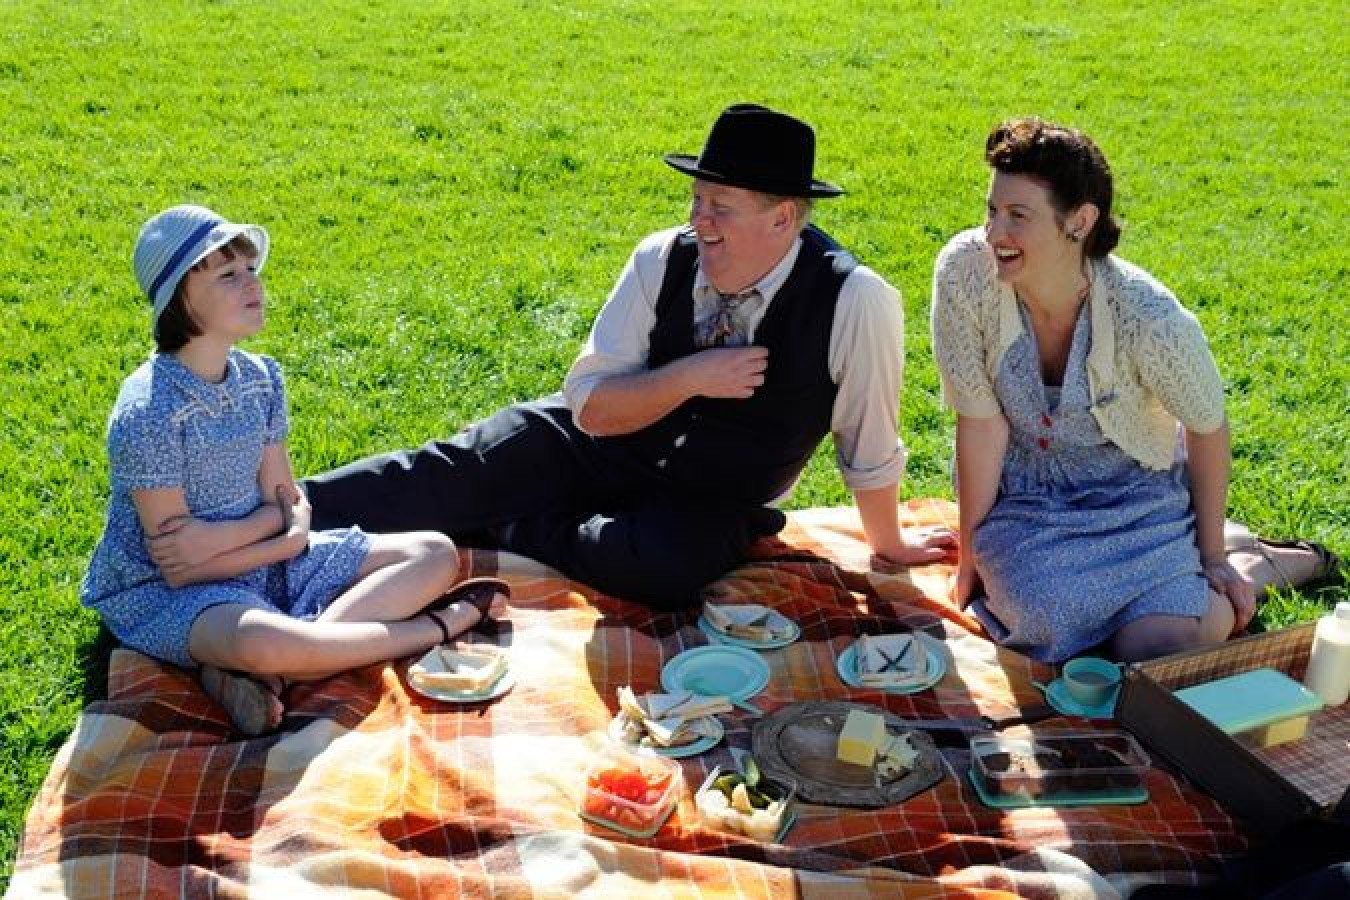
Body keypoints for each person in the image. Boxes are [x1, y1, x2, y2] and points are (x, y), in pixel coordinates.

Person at [304, 103, 954, 608]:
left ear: (783, 219)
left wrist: (888, 541)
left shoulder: (856, 300)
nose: (699, 222)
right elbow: (589, 409)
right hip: (601, 443)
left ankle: (510, 528)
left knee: (663, 569)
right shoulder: (661, 258)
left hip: (709, 497)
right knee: (454, 469)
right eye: (697, 201)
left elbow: (867, 440)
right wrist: (687, 378)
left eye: (720, 208)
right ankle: (283, 514)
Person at [81, 205, 507, 736]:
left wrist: (279, 537)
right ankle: (438, 625)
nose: (252, 285)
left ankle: (277, 668)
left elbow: (287, 498)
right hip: (172, 593)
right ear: (178, 300)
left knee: (436, 553)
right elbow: (181, 568)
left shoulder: (261, 378)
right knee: (262, 639)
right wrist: (278, 535)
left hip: (268, 562)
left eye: (252, 270)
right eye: (228, 275)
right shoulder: (148, 410)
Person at [931, 117, 1335, 664]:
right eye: (992, 211)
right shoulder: (964, 273)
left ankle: (1248, 567)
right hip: (1025, 497)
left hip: (1134, 500)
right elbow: (980, 421)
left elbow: (1207, 425)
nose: (995, 233)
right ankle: (1211, 564)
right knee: (1046, 617)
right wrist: (971, 555)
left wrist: (1211, 556)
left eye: (1018, 216)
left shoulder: (1147, 317)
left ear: (1079, 222)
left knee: (1161, 649)